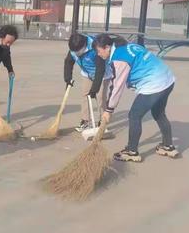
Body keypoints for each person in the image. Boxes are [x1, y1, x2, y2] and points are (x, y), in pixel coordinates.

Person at [93, 33, 179, 163]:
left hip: (154, 84)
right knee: (159, 113)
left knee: (134, 115)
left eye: (99, 51)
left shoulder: (119, 59)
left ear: (107, 47)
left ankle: (132, 151)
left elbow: (117, 86)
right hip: (167, 80)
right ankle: (168, 147)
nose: (99, 55)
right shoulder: (128, 46)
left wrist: (109, 110)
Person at [64, 33, 112, 132]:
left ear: (84, 46)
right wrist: (68, 78)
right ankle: (85, 121)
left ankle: (102, 122)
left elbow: (100, 70)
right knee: (85, 96)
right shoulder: (74, 47)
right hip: (87, 73)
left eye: (77, 51)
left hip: (102, 74)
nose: (75, 53)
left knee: (100, 98)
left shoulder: (95, 48)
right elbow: (68, 62)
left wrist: (94, 89)